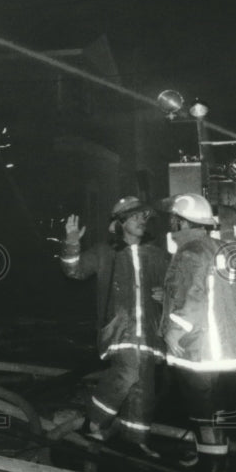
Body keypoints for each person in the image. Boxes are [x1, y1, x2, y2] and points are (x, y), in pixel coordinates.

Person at [61, 196, 168, 458]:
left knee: (144, 386)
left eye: (144, 217)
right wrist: (72, 243)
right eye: (134, 217)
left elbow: (174, 287)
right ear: (120, 223)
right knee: (128, 373)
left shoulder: (156, 255)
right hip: (119, 329)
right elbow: (73, 270)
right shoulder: (104, 253)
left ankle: (136, 439)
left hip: (150, 332)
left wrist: (166, 295)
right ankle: (93, 420)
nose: (142, 221)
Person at [159, 193, 236, 472]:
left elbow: (193, 297)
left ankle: (211, 470)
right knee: (216, 408)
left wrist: (175, 329)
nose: (171, 224)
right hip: (226, 348)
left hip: (199, 349)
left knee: (200, 410)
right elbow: (233, 299)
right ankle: (219, 459)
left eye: (174, 219)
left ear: (183, 221)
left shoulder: (189, 252)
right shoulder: (222, 248)